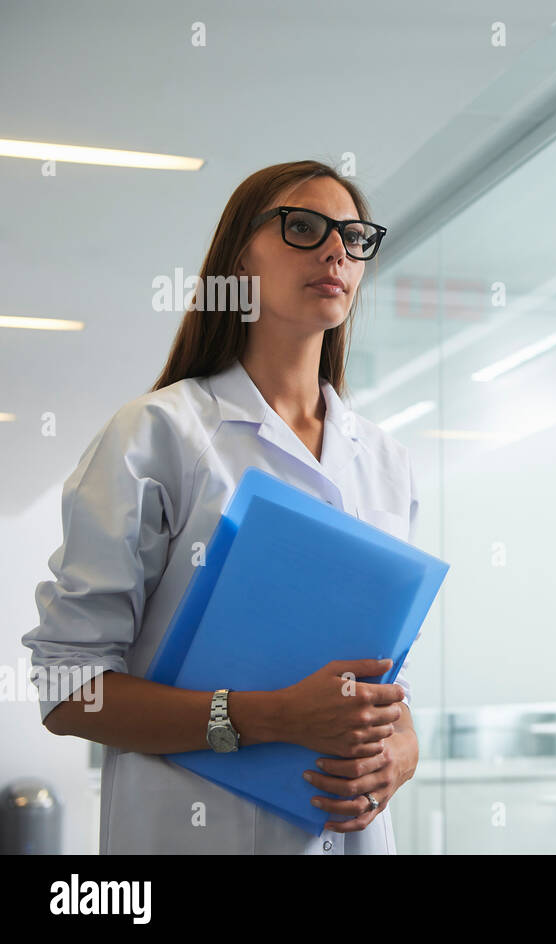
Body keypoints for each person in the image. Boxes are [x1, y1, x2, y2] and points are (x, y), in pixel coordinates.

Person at [23, 160, 420, 854]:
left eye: (355, 238)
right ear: (239, 255)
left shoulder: (384, 460)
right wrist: (269, 717)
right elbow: (67, 689)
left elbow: (394, 685)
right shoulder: (159, 434)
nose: (336, 251)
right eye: (304, 227)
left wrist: (403, 755)